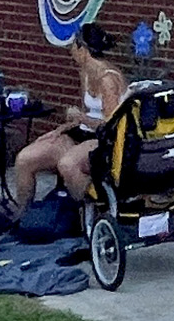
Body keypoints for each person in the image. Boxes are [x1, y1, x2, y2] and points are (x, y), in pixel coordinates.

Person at [11, 23, 127, 209]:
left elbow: (111, 125)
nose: (71, 50)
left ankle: (88, 212)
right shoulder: (85, 73)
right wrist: (59, 130)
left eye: (74, 45)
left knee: (67, 164)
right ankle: (23, 216)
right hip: (82, 133)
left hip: (104, 139)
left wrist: (80, 118)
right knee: (25, 159)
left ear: (82, 49)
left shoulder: (108, 79)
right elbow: (85, 114)